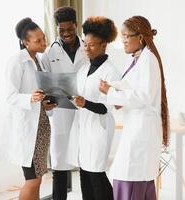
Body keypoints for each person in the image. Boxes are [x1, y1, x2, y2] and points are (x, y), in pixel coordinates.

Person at [99, 15, 169, 200]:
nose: (122, 40)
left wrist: (110, 93)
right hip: (136, 127)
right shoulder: (136, 58)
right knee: (131, 175)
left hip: (142, 130)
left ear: (140, 37)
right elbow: (129, 85)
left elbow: (143, 96)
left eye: (126, 36)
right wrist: (112, 86)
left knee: (129, 176)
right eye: (121, 36)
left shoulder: (148, 60)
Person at [0, 18, 57, 200]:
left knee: (38, 179)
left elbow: (41, 93)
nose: (44, 43)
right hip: (28, 129)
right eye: (38, 40)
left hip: (41, 126)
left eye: (44, 38)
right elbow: (10, 96)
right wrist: (30, 98)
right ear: (25, 42)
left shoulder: (39, 60)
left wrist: (46, 103)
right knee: (32, 180)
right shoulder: (16, 61)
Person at [66, 16, 119, 200]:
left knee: (96, 174)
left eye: (92, 45)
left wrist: (85, 103)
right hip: (83, 128)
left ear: (104, 44)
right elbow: (77, 95)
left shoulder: (110, 71)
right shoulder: (83, 70)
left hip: (99, 128)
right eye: (85, 44)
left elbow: (108, 107)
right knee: (85, 173)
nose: (86, 49)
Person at [41, 7, 88, 200]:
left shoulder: (88, 48)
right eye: (62, 30)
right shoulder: (49, 53)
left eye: (70, 29)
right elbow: (45, 82)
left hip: (84, 109)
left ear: (76, 25)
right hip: (61, 112)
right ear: (57, 28)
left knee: (86, 161)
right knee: (60, 161)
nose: (67, 34)